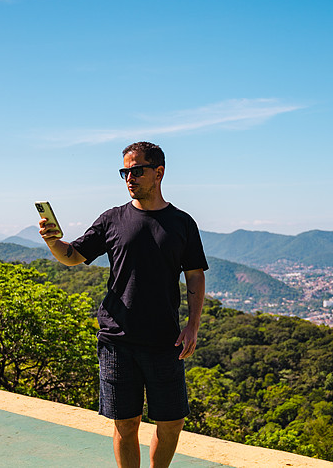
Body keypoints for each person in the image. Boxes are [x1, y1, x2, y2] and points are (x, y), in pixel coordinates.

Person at [38, 141, 208, 468]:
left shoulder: (182, 222)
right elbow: (73, 256)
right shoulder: (112, 219)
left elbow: (195, 276)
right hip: (117, 341)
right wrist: (52, 241)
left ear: (159, 172)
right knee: (126, 423)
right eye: (125, 172)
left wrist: (193, 326)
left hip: (165, 340)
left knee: (172, 422)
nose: (130, 178)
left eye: (137, 171)